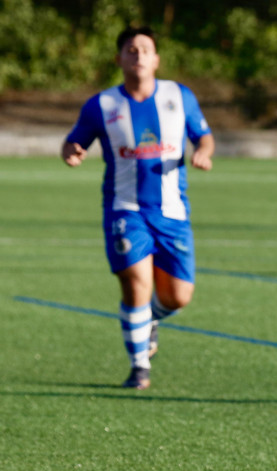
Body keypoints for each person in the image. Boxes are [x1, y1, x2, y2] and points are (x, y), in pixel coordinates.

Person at [61, 26, 215, 390]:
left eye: (145, 49)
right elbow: (74, 140)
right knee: (137, 286)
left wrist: (204, 151)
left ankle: (150, 321)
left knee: (178, 296)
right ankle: (139, 366)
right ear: (119, 59)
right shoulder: (102, 105)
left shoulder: (180, 96)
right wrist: (72, 151)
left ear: (156, 59)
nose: (139, 55)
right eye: (131, 49)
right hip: (124, 210)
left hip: (173, 212)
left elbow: (202, 135)